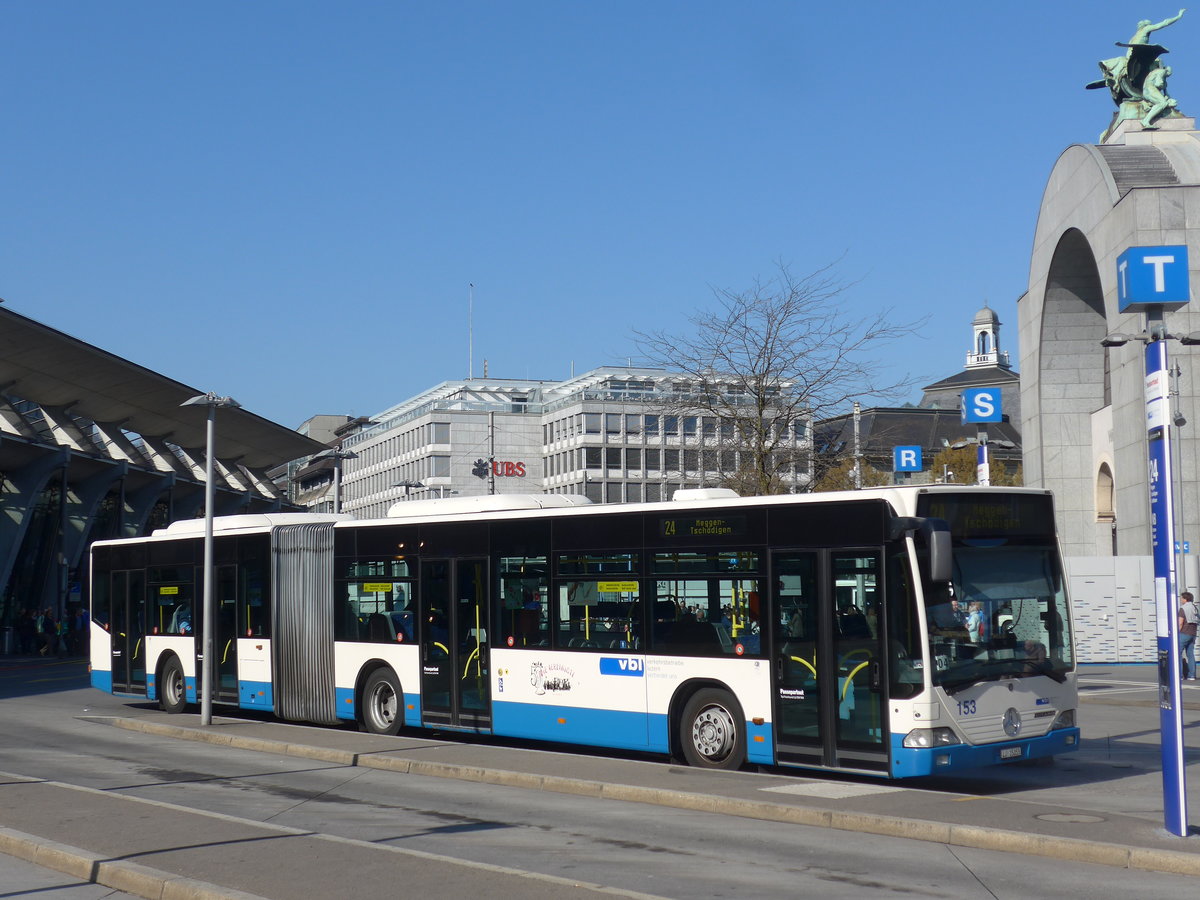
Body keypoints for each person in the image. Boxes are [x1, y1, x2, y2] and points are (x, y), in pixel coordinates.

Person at [1178, 591, 1198, 679]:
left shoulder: (1183, 608)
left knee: (1177, 653)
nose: (1181, 600)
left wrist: (1177, 633)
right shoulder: (1195, 607)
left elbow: (1180, 623)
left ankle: (1180, 675)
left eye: (1182, 598)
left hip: (1184, 633)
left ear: (1185, 599)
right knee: (1190, 654)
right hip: (1193, 633)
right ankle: (1192, 675)